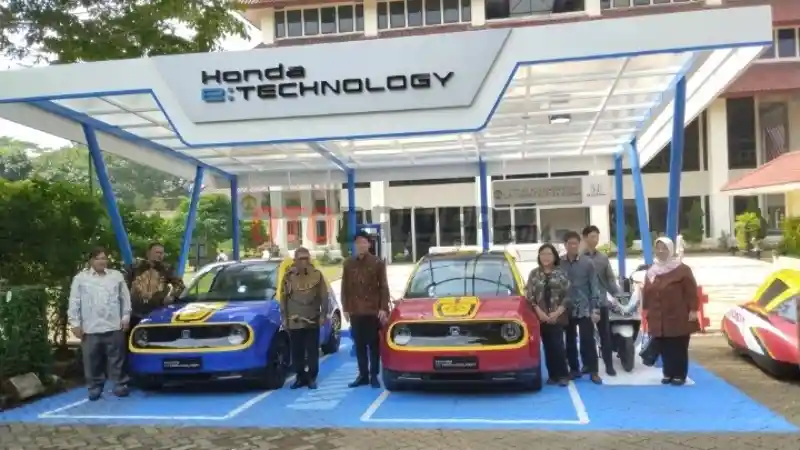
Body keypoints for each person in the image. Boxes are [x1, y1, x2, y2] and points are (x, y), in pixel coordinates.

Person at [68, 247, 132, 401]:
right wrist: (75, 323)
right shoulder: (80, 279)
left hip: (113, 325)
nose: (102, 261)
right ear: (91, 261)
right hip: (90, 327)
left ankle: (120, 384)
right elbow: (74, 301)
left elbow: (125, 298)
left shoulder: (116, 276)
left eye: (104, 258)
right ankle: (94, 387)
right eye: (98, 258)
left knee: (117, 358)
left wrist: (125, 317)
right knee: (92, 360)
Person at [642, 236, 699, 386]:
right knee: (664, 346)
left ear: (671, 250)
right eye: (658, 248)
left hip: (678, 314)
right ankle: (668, 373)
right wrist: (646, 310)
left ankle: (679, 374)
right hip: (658, 316)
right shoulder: (652, 271)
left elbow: (691, 291)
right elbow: (646, 292)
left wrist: (693, 310)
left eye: (664, 248)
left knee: (678, 346)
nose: (661, 251)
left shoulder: (682, 269)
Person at [342, 231, 390, 388]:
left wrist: (383, 308)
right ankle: (363, 375)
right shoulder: (348, 264)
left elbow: (383, 287)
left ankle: (374, 375)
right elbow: (345, 288)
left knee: (373, 345)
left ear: (369, 244)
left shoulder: (377, 263)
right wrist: (346, 308)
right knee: (359, 345)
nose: (361, 245)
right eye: (358, 243)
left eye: (364, 242)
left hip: (372, 310)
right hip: (356, 311)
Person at [280, 247, 329, 390]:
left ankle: (311, 377)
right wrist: (284, 317)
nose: (303, 261)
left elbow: (324, 296)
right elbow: (283, 298)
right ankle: (300, 377)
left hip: (312, 318)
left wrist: (323, 314)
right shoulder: (288, 277)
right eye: (300, 259)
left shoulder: (317, 275)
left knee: (312, 350)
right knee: (297, 351)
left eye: (306, 258)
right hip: (294, 320)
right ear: (295, 260)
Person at [525, 243, 572, 387]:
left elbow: (568, 294)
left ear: (555, 256)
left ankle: (563, 375)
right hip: (540, 317)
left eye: (549, 254)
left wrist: (557, 312)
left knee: (558, 345)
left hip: (557, 315)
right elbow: (529, 294)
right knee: (547, 346)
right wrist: (539, 312)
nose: (545, 257)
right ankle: (552, 375)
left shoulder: (561, 273)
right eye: (542, 254)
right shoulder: (534, 274)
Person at [561, 231, 603, 384]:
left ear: (579, 244)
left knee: (588, 340)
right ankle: (574, 369)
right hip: (567, 308)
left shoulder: (588, 263)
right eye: (570, 243)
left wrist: (595, 308)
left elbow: (594, 286)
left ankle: (593, 371)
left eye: (575, 243)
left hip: (585, 307)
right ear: (565, 245)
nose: (573, 246)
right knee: (570, 340)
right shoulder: (559, 263)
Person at [581, 225, 621, 377]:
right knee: (586, 336)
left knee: (605, 335)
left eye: (597, 236)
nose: (595, 239)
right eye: (592, 236)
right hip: (584, 304)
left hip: (601, 301)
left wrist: (617, 295)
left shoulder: (603, 258)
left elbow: (609, 279)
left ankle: (609, 365)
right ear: (585, 238)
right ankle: (588, 365)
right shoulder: (578, 257)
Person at [127, 243, 185, 332]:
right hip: (135, 313)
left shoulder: (166, 269)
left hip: (158, 312)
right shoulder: (135, 268)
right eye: (157, 252)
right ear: (148, 253)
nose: (160, 255)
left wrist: (172, 296)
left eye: (162, 253)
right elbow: (124, 287)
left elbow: (180, 285)